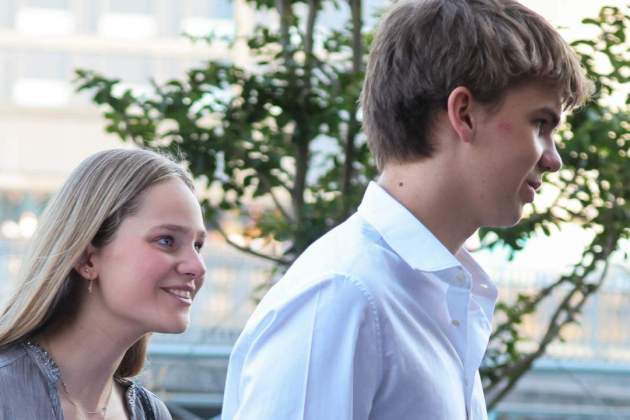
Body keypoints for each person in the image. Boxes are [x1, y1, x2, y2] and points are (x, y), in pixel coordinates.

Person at [221, 0, 593, 419]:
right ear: (464, 114)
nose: (553, 159)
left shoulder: (431, 294)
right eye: (540, 124)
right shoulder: (343, 296)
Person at [0, 149, 207, 419]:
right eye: (166, 240)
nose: (197, 267)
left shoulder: (151, 413)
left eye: (198, 246)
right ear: (87, 258)